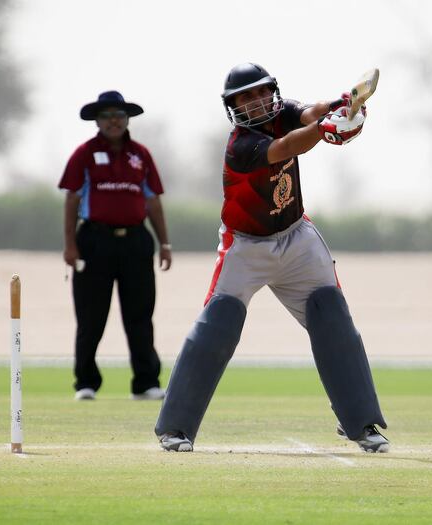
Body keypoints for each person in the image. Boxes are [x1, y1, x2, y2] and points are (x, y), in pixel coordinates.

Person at [154, 63, 389, 453]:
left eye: (260, 92)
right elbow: (289, 146)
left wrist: (345, 105)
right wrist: (325, 129)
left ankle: (361, 424)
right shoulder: (240, 145)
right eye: (243, 98)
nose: (254, 102)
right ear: (233, 107)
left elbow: (313, 111)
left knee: (332, 317)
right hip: (245, 247)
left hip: (297, 238)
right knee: (218, 326)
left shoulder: (282, 112)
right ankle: (175, 427)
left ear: (272, 92)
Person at [59, 90, 172, 401]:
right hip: (94, 241)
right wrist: (70, 245)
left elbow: (153, 200)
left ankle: (146, 382)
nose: (113, 121)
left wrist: (164, 243)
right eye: (107, 116)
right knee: (91, 315)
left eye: (119, 116)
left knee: (140, 315)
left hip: (136, 241)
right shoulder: (84, 154)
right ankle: (86, 382)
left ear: (127, 120)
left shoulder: (141, 155)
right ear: (98, 120)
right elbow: (71, 198)